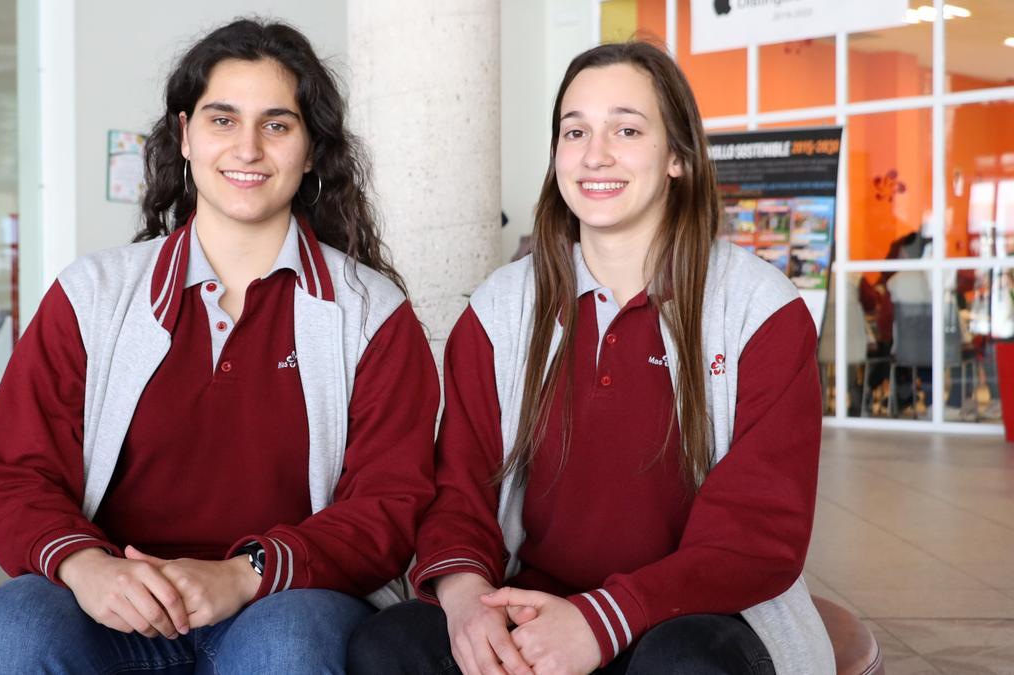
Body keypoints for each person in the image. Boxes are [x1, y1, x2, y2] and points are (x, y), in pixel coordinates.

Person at [0, 19, 438, 674]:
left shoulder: (372, 313)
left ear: (312, 149)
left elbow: (388, 505)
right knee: (7, 630)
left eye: (277, 124)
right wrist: (86, 565)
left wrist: (242, 574)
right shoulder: (92, 295)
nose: (248, 147)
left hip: (283, 599)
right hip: (114, 601)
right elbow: (12, 470)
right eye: (222, 119)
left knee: (285, 648)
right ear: (184, 135)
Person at [349, 41, 833, 675]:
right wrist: (465, 594)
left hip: (692, 617)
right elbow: (460, 488)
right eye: (574, 131)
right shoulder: (502, 309)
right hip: (536, 603)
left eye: (627, 129)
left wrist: (604, 619)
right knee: (390, 647)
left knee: (685, 665)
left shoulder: (758, 310)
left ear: (677, 158)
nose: (595, 154)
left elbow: (756, 536)